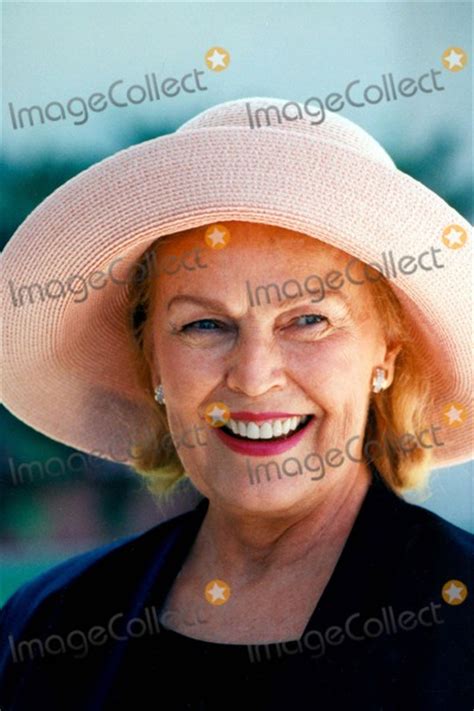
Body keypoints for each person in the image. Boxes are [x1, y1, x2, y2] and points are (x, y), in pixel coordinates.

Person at [0, 98, 472, 710]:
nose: (252, 377)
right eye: (203, 326)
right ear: (152, 361)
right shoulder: (46, 626)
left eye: (308, 320)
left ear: (386, 355)